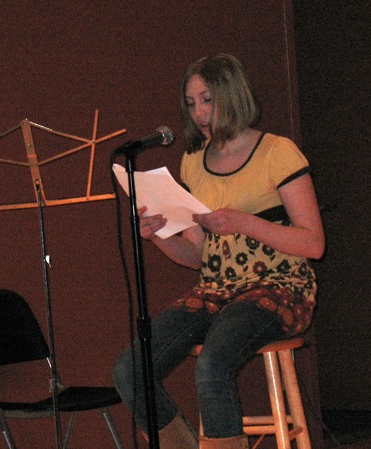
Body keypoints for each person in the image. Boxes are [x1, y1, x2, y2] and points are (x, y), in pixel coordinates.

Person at [113, 53, 325, 449]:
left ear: (231, 95)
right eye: (191, 103)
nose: (199, 113)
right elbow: (197, 255)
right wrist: (157, 237)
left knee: (213, 363)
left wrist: (243, 222)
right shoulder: (193, 160)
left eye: (207, 100)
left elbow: (314, 243)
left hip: (278, 288)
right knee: (131, 369)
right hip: (216, 291)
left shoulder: (278, 152)